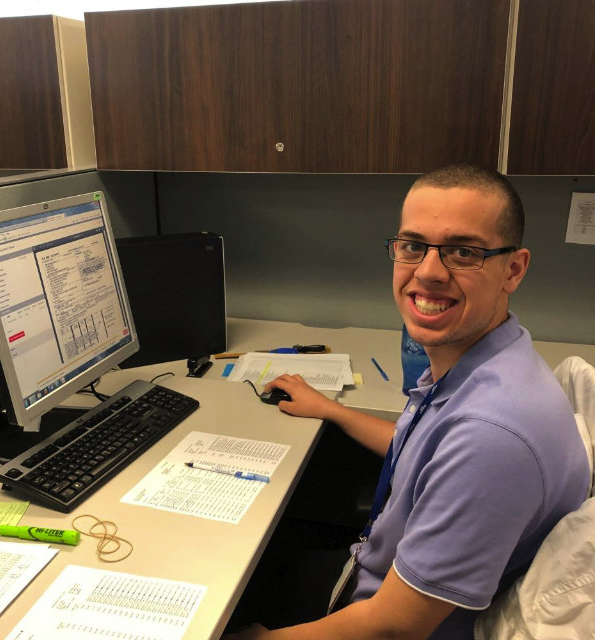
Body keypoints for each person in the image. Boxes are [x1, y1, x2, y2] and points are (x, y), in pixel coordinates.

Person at [222, 163, 590, 640]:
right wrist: (331, 409)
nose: (429, 272)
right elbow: (428, 449)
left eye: (463, 251)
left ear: (512, 269)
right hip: (373, 573)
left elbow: (392, 627)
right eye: (414, 246)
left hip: (378, 614)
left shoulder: (492, 436)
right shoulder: (493, 361)